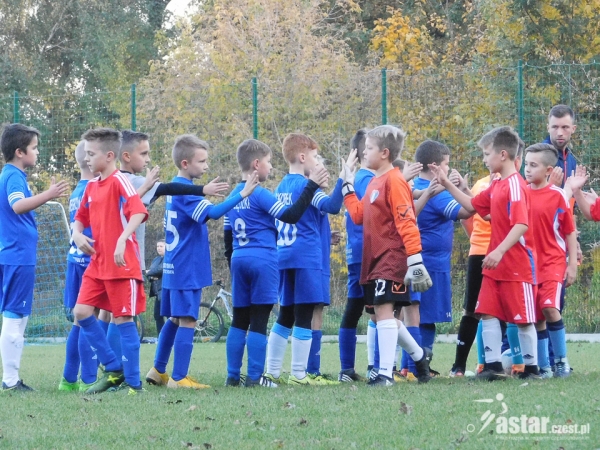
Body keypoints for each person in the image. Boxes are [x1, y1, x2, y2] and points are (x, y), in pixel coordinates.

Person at [146, 135, 259, 389]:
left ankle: (158, 370)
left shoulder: (176, 189)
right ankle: (179, 377)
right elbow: (214, 213)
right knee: (188, 320)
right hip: (187, 267)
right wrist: (243, 193)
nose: (207, 166)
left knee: (175, 319)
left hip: (174, 265)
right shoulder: (188, 194)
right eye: (202, 161)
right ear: (185, 163)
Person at [430, 126, 540, 380]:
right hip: (494, 264)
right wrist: (446, 183)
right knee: (487, 311)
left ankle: (532, 369)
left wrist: (500, 251)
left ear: (503, 155)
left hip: (515, 264)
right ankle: (491, 367)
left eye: (486, 153)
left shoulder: (515, 185)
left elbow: (521, 224)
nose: (484, 159)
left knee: (522, 319)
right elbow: (472, 205)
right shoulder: (498, 184)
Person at [224, 139, 328, 387]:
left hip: (239, 259)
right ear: (256, 164)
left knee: (239, 319)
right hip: (263, 260)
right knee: (259, 319)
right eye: (269, 162)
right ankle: (255, 378)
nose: (271, 168)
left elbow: (227, 238)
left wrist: (233, 263)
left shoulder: (232, 195)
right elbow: (291, 216)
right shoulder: (260, 194)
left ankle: (231, 376)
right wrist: (311, 186)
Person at [342, 124, 433, 386]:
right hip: (372, 258)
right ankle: (419, 356)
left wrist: (414, 257)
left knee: (384, 311)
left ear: (384, 153)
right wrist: (347, 186)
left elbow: (407, 219)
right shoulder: (373, 181)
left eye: (368, 148)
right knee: (378, 315)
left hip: (392, 257)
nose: (363, 152)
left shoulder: (395, 180)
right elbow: (359, 215)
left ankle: (384, 374)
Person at [72, 127, 148, 395]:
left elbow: (138, 211)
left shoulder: (120, 181)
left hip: (121, 264)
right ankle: (114, 370)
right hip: (98, 263)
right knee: (81, 313)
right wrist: (76, 233)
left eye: (91, 154)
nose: (87, 159)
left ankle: (135, 384)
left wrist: (122, 238)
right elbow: (80, 217)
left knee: (123, 319)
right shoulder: (91, 186)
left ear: (109, 155)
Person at [264, 133, 344, 386]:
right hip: (306, 257)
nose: (318, 160)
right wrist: (345, 180)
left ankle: (272, 372)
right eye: (315, 156)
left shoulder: (281, 186)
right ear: (302, 157)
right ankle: (299, 374)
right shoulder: (304, 186)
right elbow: (332, 206)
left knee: (285, 314)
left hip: (284, 256)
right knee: (304, 314)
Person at [0, 124, 69, 391]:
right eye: (35, 148)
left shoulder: (10, 174)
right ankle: (10, 380)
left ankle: (11, 379)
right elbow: (18, 206)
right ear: (20, 152)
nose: (38, 152)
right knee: (15, 316)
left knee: (15, 316)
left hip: (14, 254)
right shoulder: (14, 176)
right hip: (18, 256)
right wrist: (48, 195)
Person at [410, 140, 471, 373]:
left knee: (415, 314)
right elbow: (468, 210)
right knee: (426, 317)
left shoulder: (414, 185)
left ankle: (411, 365)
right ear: (435, 166)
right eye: (446, 164)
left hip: (418, 259)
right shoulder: (437, 194)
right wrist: (462, 189)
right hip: (432, 263)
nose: (448, 168)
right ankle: (419, 365)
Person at [524, 143, 577, 378]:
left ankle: (561, 362)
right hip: (528, 265)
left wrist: (572, 264)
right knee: (536, 316)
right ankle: (544, 366)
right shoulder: (521, 193)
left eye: (533, 165)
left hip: (553, 263)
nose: (527, 169)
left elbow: (569, 231)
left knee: (549, 308)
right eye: (526, 164)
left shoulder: (557, 196)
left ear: (548, 170)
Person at [58, 141, 100, 392]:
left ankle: (68, 378)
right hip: (88, 261)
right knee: (89, 318)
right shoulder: (93, 189)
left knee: (78, 320)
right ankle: (90, 379)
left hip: (74, 260)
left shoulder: (77, 191)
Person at [338, 129, 372, 382]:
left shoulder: (358, 178)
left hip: (355, 251)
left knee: (355, 308)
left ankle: (347, 369)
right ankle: (381, 367)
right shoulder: (369, 180)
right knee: (380, 309)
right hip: (370, 251)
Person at [147, 239, 166, 336]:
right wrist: (151, 275)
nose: (159, 248)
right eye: (158, 246)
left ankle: (171, 336)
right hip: (157, 292)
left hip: (165, 291)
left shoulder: (169, 258)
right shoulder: (156, 259)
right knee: (157, 315)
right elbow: (151, 273)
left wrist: (151, 273)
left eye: (161, 246)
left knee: (168, 315)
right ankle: (161, 336)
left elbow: (160, 270)